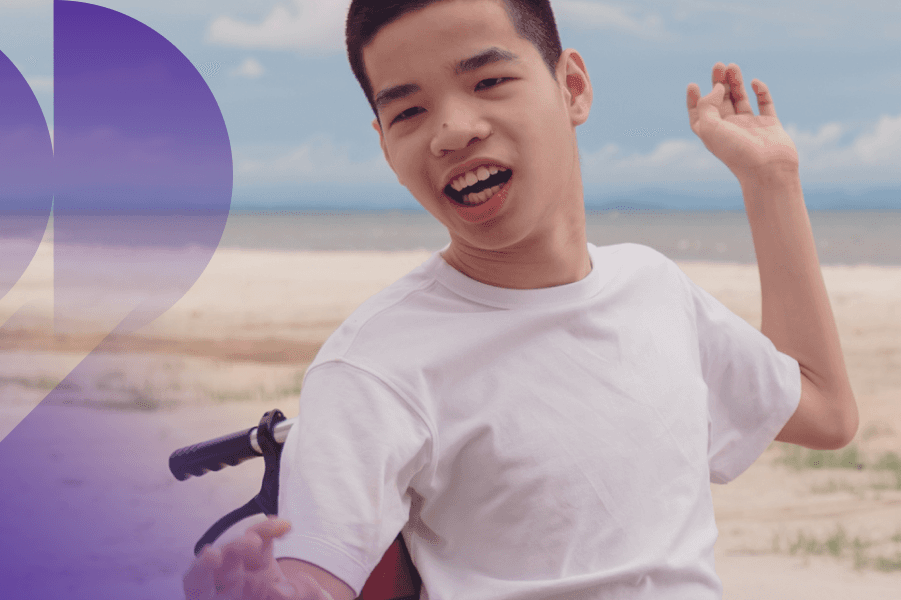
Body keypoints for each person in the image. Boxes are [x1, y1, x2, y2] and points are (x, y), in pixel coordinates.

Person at [181, 0, 856, 597]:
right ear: (386, 146)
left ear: (573, 88)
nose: (453, 129)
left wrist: (772, 182)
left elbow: (824, 411)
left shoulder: (654, 290)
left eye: (489, 81)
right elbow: (316, 575)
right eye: (409, 111)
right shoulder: (373, 365)